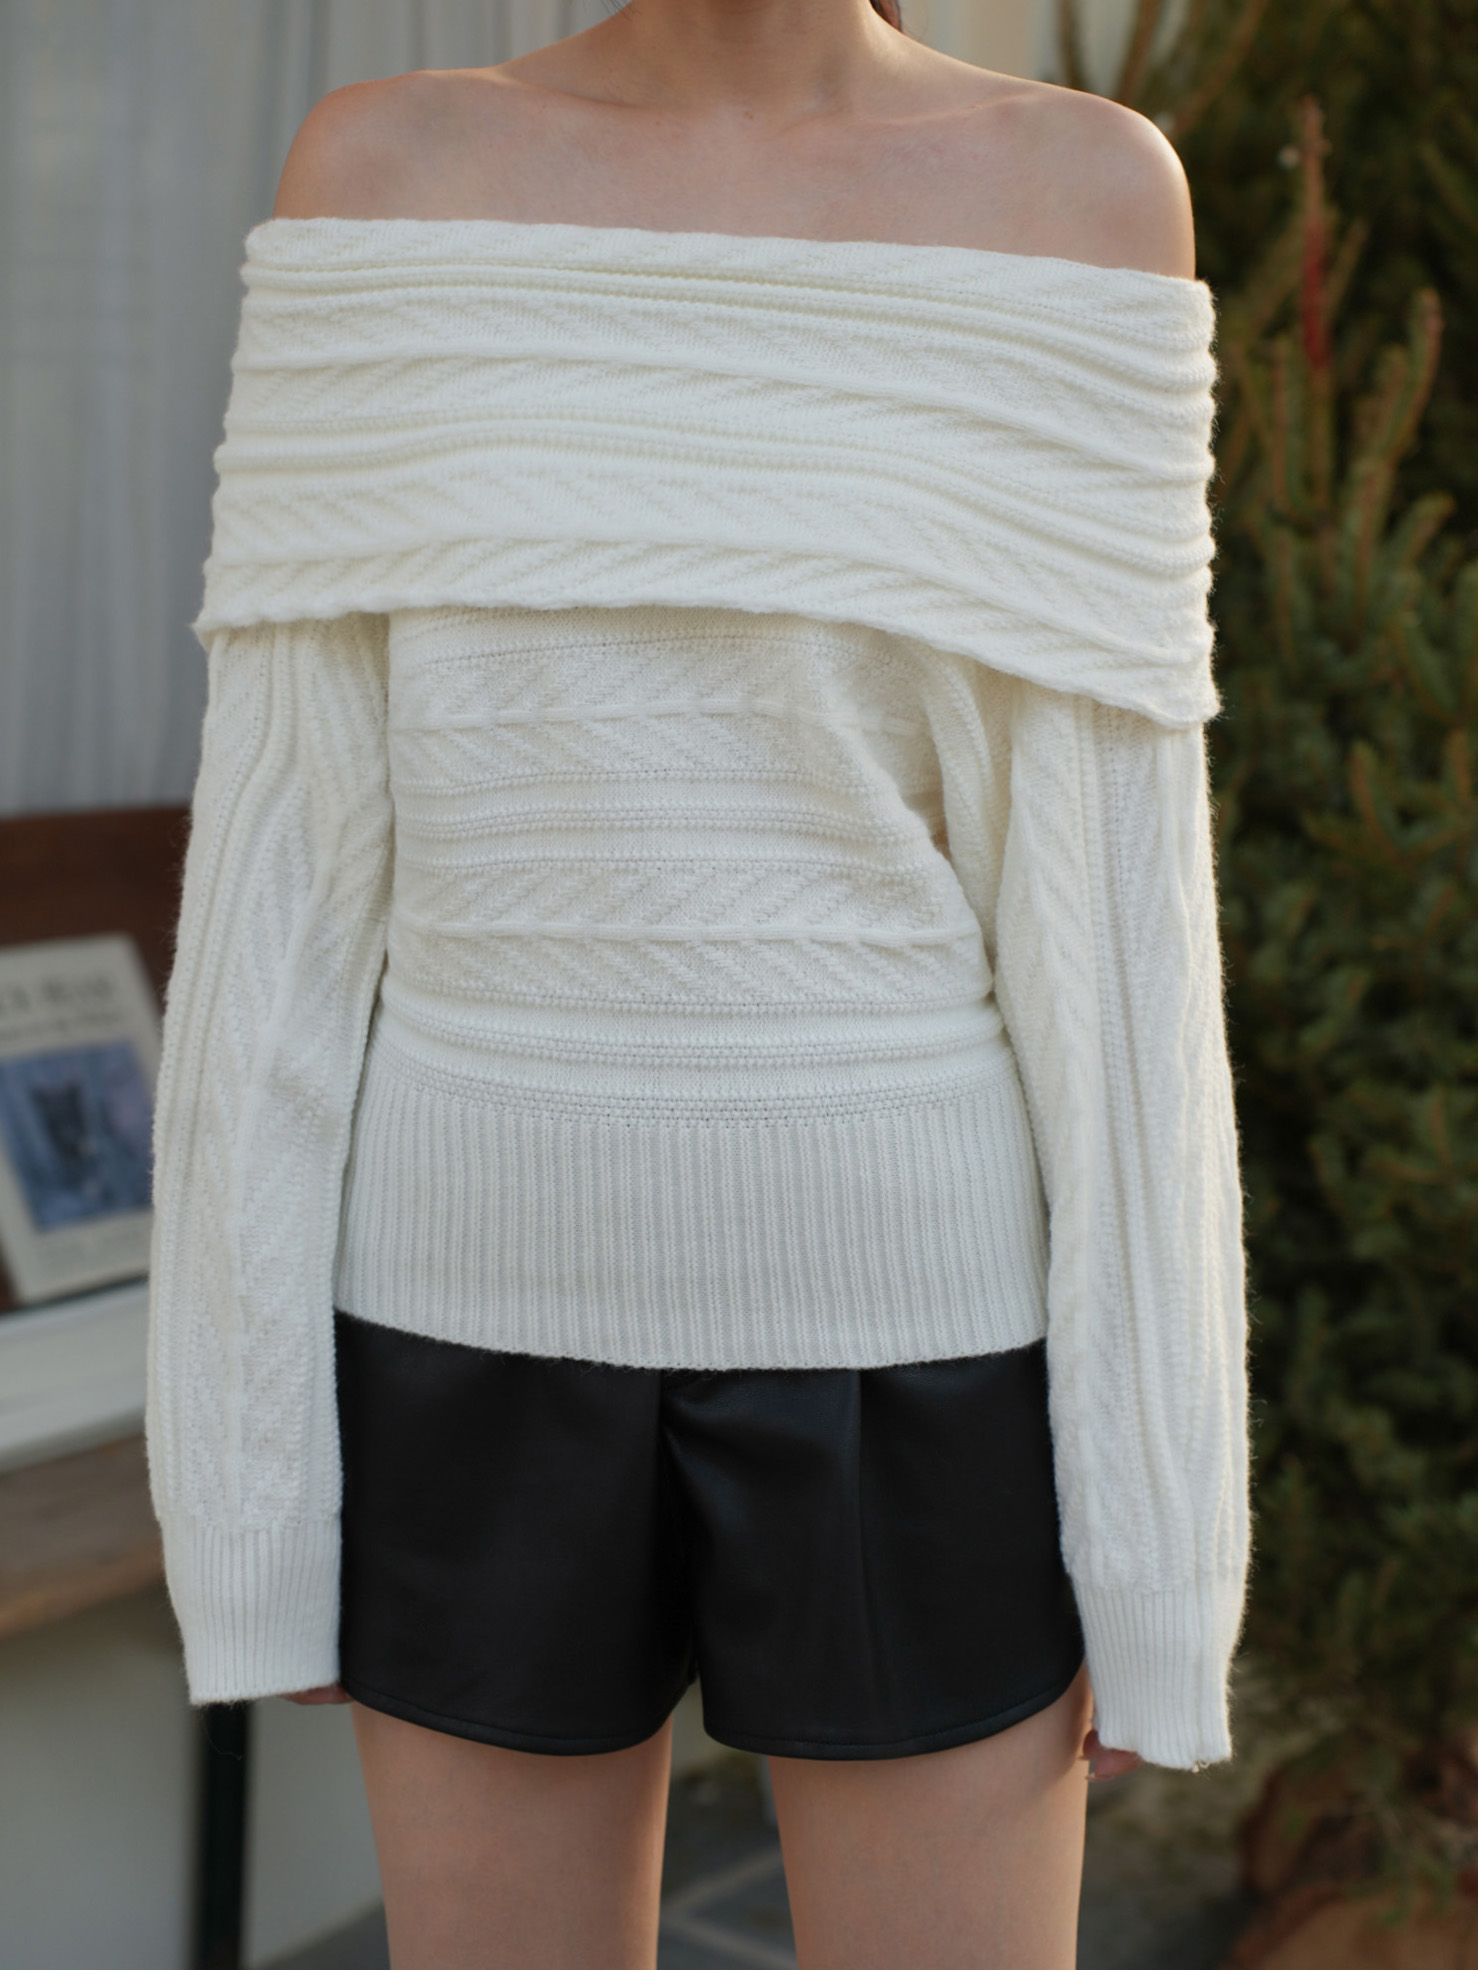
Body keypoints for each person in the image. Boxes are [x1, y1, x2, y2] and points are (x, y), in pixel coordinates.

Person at [146, 2, 1249, 1964]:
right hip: (458, 1329)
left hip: (926, 1343)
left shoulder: (1075, 197)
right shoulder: (386, 174)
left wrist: (1161, 1552)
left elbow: (1122, 947)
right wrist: (243, 1496)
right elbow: (278, 901)